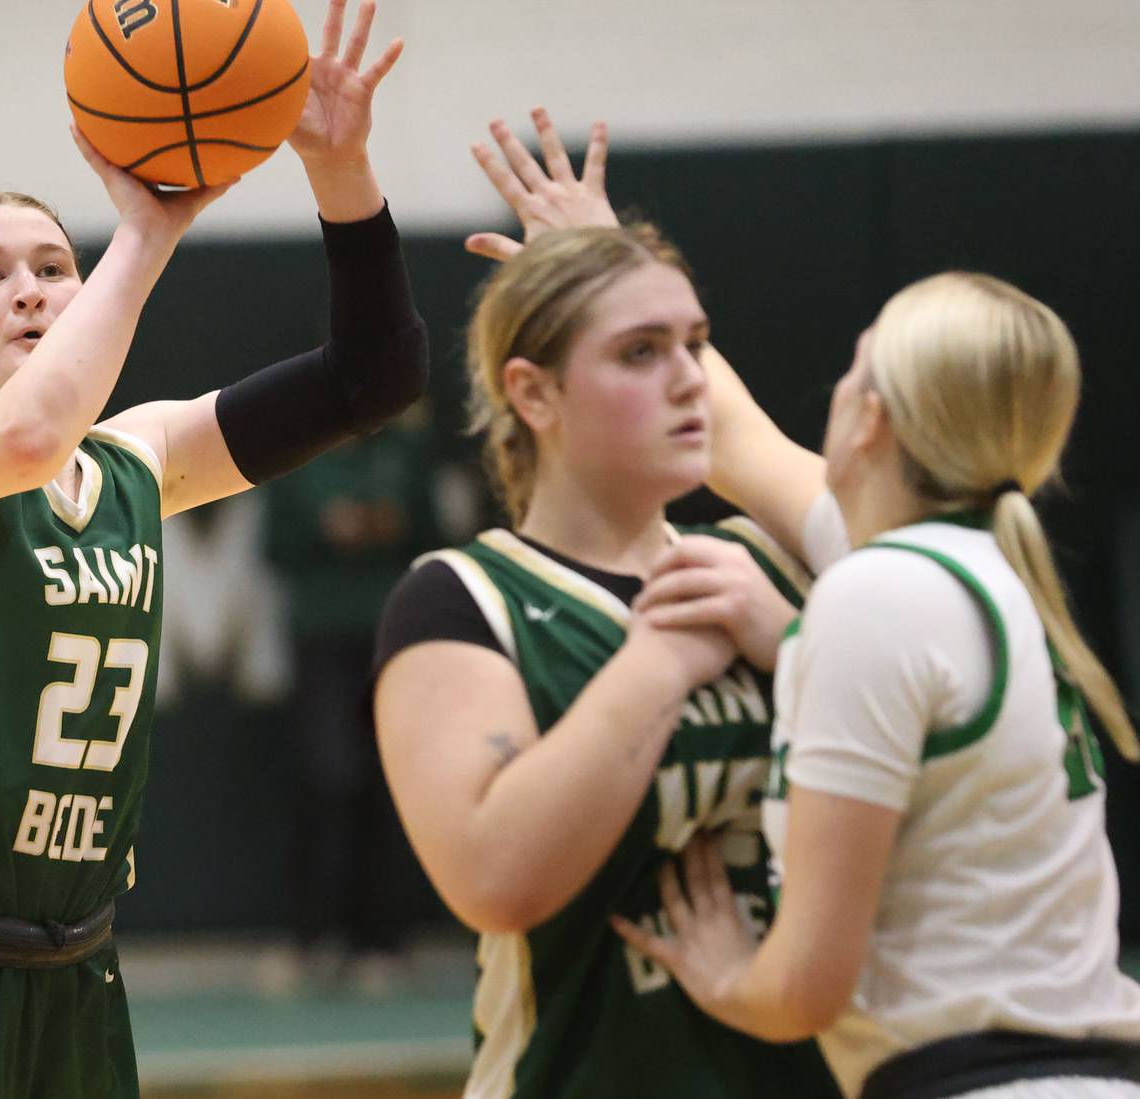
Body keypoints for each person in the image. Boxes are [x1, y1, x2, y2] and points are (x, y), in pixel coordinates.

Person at [0, 1, 427, 1094]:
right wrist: (149, 228)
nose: (31, 285)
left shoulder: (138, 457)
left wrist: (341, 171)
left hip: (75, 971)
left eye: (53, 264)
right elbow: (25, 435)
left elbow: (374, 377)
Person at [372, 125, 841, 1092]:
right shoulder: (461, 600)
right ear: (534, 394)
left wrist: (794, 644)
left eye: (696, 345)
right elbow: (495, 879)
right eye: (640, 351)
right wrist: (658, 663)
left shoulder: (770, 567)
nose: (686, 379)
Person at [614, 271, 1140, 1098]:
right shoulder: (977, 566)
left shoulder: (878, 594)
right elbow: (738, 441)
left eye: (856, 368)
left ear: (873, 418)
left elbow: (804, 988)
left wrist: (726, 978)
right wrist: (608, 264)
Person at [262, 412, 442, 990]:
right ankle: (311, 938)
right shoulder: (298, 450)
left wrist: (389, 525)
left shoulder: (406, 451)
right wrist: (324, 528)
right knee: (325, 778)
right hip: (320, 637)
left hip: (389, 633)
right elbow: (275, 544)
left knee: (385, 784)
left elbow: (433, 538)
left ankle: (383, 942)